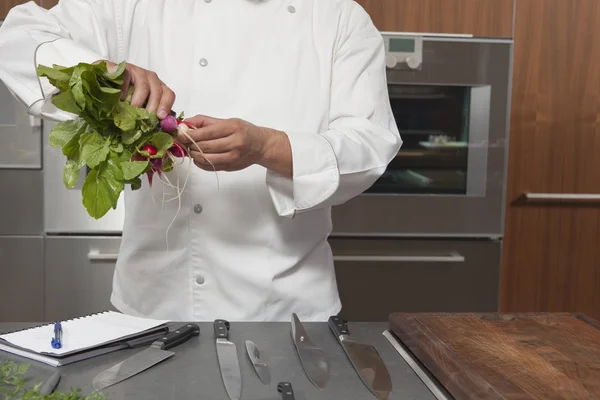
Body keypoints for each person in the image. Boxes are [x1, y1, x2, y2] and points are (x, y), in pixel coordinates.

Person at [0, 0, 402, 322]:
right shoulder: (126, 6)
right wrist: (94, 73)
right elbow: (19, 38)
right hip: (152, 306)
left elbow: (370, 144)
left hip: (283, 311)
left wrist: (267, 146)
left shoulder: (337, 16)